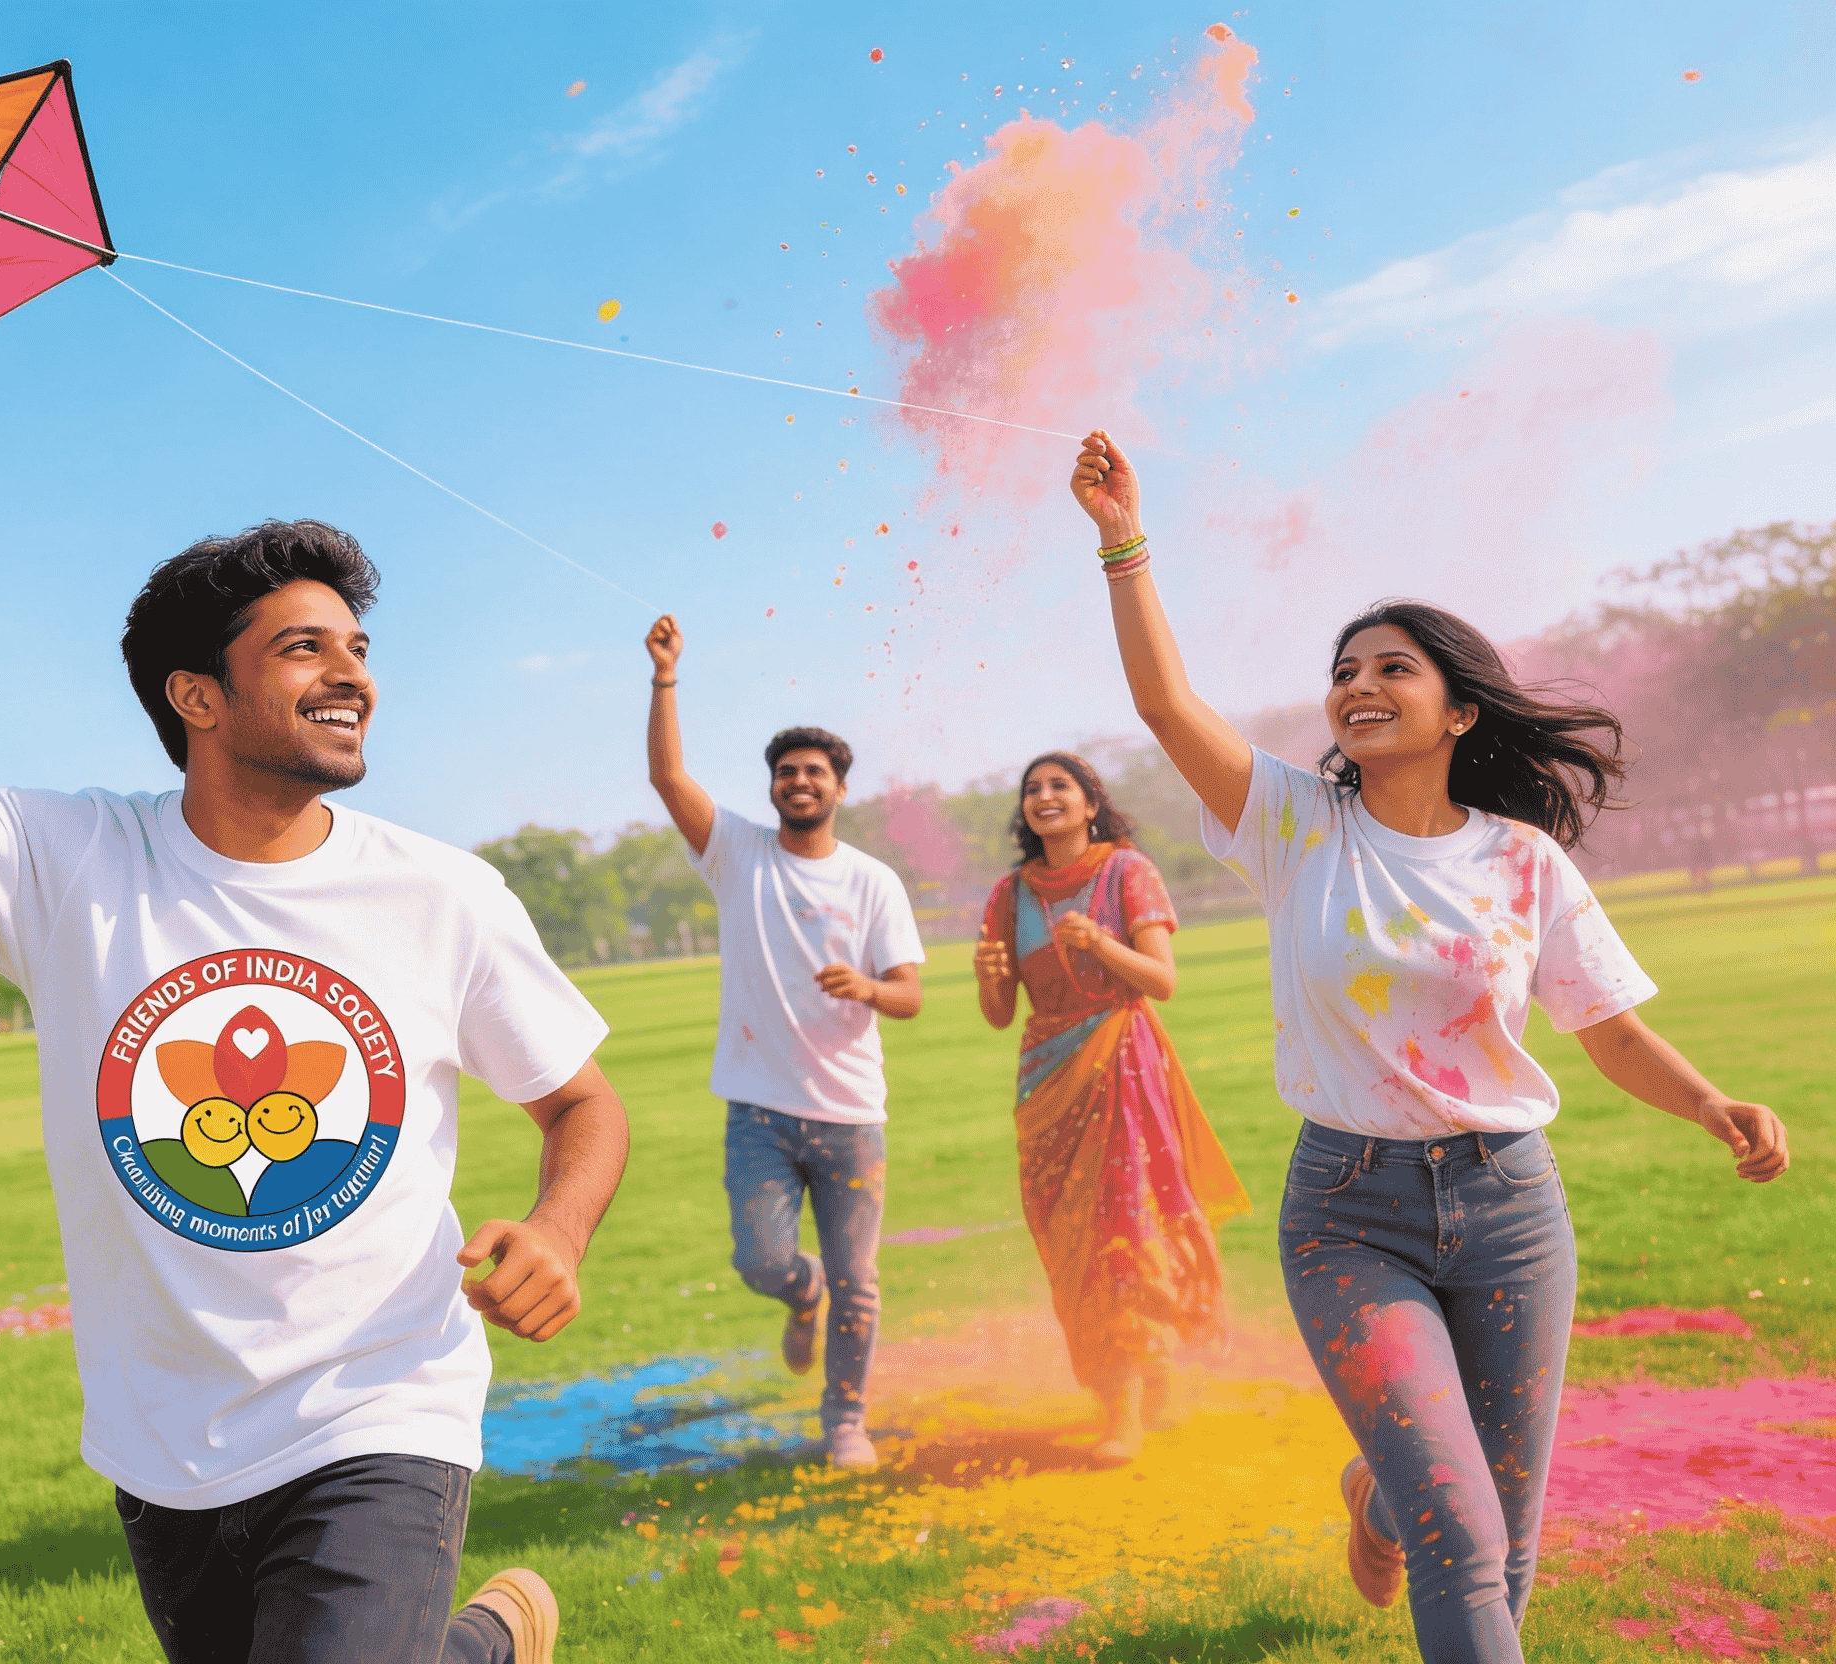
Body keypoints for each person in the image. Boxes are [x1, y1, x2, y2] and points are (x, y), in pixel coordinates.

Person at [0, 386, 632, 1664]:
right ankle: (486, 1646)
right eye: (301, 647)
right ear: (197, 696)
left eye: (356, 646)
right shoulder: (67, 859)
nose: (350, 673)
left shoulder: (441, 891)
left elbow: (581, 1100)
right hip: (163, 1440)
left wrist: (557, 1227)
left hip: (380, 1405)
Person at [1067, 429, 1790, 1663]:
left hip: (1512, 1203)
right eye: (1343, 668)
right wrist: (1122, 540)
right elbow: (1162, 702)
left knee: (1501, 1531)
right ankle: (1395, 1491)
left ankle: (1374, 1488)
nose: (1356, 684)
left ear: (1457, 706)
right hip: (1350, 1209)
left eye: (1391, 667)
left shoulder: (1521, 859)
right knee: (1457, 1527)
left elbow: (1604, 1027)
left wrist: (1714, 1103)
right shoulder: (1294, 821)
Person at [642, 612, 926, 1468]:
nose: (800, 781)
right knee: (763, 1261)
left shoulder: (872, 880)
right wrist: (665, 675)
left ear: (841, 788)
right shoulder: (736, 854)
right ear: (771, 788)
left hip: (850, 1115)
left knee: (862, 1283)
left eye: (816, 772)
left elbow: (909, 994)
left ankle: (845, 1422)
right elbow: (666, 776)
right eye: (787, 772)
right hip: (760, 1113)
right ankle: (796, 1292)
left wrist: (869, 987)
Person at [971, 752, 1248, 1465]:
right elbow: (1002, 1015)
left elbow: (1161, 980)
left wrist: (1100, 944)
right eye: (1032, 788)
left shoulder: (1128, 872)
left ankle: (1120, 1406)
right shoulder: (1009, 895)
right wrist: (989, 978)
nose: (1044, 796)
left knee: (1123, 1232)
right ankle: (1141, 1372)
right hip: (1044, 1080)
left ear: (1091, 802)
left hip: (1123, 1065)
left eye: (1060, 786)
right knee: (1066, 1243)